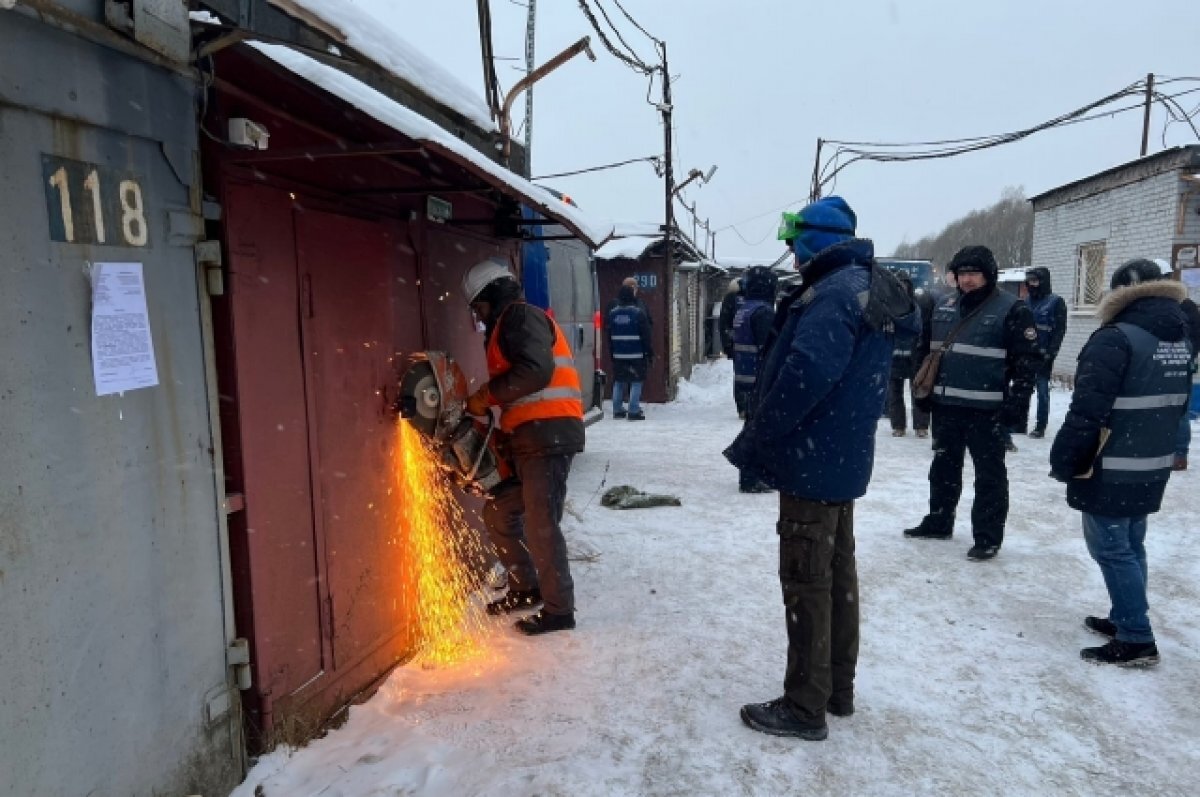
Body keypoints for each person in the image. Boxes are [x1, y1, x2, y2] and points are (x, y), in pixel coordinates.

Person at [725, 196, 919, 741]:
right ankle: (837, 688)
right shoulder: (864, 285)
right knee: (836, 574)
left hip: (813, 459)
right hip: (839, 457)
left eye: (794, 240)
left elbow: (807, 372)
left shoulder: (834, 293)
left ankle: (804, 706)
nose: (789, 251)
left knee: (807, 581)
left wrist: (761, 431)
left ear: (817, 238)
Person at [1049, 259, 1193, 667]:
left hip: (1110, 460)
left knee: (1112, 549)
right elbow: (1180, 404)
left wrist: (1065, 459)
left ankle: (1135, 637)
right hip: (1152, 459)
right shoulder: (1178, 339)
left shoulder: (1114, 339)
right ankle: (1125, 616)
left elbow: (1086, 411)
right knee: (1131, 543)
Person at [461, 257, 584, 635]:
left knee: (540, 523)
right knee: (500, 513)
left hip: (549, 435)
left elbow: (535, 372)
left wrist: (487, 396)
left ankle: (560, 610)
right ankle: (525, 588)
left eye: (480, 306)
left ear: (494, 295)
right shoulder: (506, 324)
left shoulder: (520, 317)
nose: (480, 316)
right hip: (528, 438)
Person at [903, 245, 1039, 561]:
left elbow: (1027, 363)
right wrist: (921, 397)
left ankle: (987, 537)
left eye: (974, 273)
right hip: (947, 406)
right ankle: (939, 519)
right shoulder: (943, 305)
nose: (967, 280)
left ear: (989, 275)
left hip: (988, 410)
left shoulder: (1012, 309)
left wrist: (1017, 404)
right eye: (962, 273)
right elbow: (923, 351)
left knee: (989, 475)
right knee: (943, 468)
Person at [730, 265, 778, 491]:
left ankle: (750, 474)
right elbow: (770, 349)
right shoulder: (763, 312)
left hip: (744, 374)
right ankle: (750, 477)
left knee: (752, 426)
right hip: (759, 378)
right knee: (758, 429)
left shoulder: (744, 308)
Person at [1023, 267, 1068, 438]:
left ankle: (1040, 425)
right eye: (1029, 281)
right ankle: (1019, 421)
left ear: (1043, 281)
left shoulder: (1055, 302)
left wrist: (1051, 352)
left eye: (1034, 281)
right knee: (1023, 389)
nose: (1031, 285)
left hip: (1043, 353)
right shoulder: (1027, 301)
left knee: (1042, 389)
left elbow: (1059, 330)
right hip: (1027, 352)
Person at [887, 273, 931, 438]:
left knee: (918, 391)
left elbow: (923, 328)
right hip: (894, 356)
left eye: (905, 284)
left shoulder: (917, 305)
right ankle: (898, 425)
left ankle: (921, 426)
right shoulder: (887, 305)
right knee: (894, 393)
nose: (902, 287)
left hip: (915, 356)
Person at [606, 280, 653, 421]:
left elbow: (608, 334)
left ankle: (617, 409)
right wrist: (648, 352)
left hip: (619, 354)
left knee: (619, 381)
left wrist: (612, 352)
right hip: (636, 353)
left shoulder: (613, 313)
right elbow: (646, 335)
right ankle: (633, 410)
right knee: (636, 381)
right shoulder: (638, 313)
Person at [719, 276, 744, 360]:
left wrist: (726, 344)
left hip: (732, 337)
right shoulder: (748, 299)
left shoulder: (729, 298)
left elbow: (723, 322)